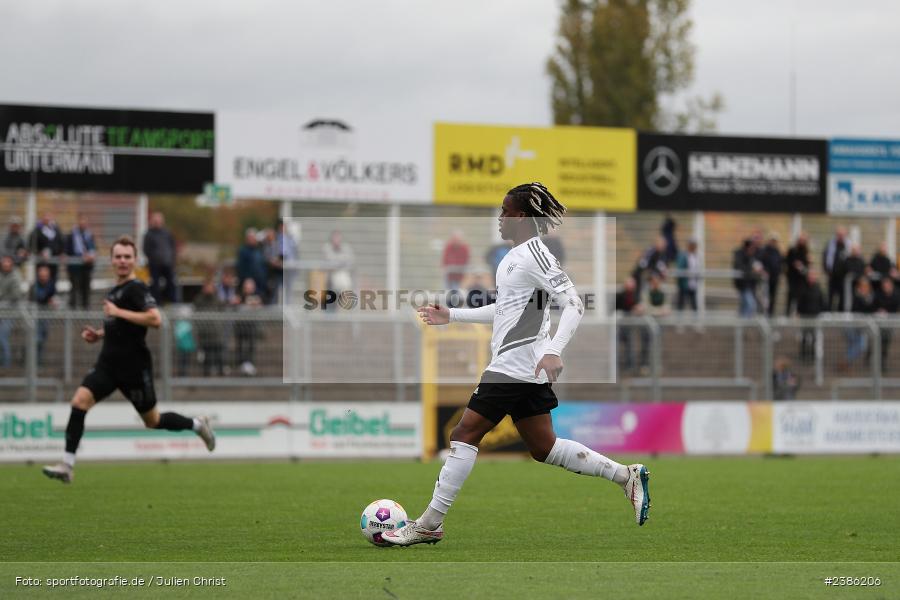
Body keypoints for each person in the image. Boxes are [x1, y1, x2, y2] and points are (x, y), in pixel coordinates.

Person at [383, 183, 650, 547]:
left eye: (505, 212)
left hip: (514, 365)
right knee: (544, 447)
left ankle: (429, 523)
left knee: (464, 434)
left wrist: (555, 349)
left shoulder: (535, 254)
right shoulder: (515, 257)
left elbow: (574, 303)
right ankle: (626, 476)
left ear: (522, 217)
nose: (500, 218)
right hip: (523, 368)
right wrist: (453, 315)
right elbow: (505, 309)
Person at [42, 236, 215, 484]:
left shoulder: (137, 288)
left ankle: (198, 425)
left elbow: (155, 319)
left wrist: (117, 312)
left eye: (127, 257)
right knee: (79, 401)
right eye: (118, 256)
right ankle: (67, 466)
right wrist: (100, 334)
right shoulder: (115, 291)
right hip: (108, 365)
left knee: (153, 421)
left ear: (135, 260)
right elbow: (122, 324)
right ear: (111, 260)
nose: (122, 261)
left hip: (134, 367)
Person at [143, 211, 178, 304]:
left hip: (168, 263)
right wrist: (153, 259)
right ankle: (157, 304)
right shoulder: (148, 234)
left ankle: (173, 302)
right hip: (154, 265)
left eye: (159, 220)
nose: (157, 222)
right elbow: (146, 249)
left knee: (172, 283)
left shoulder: (167, 233)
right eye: (155, 220)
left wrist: (172, 260)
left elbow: (173, 247)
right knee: (155, 285)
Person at [193, 278, 226, 377]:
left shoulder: (218, 299)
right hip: (205, 333)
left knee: (219, 355)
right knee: (207, 356)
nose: (208, 289)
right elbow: (196, 313)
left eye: (210, 287)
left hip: (217, 332)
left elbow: (222, 311)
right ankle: (206, 375)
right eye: (206, 287)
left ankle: (221, 374)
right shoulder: (198, 299)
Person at [616, 276, 649, 374]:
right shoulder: (621, 295)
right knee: (623, 345)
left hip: (633, 326)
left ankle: (633, 365)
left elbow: (640, 307)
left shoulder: (636, 295)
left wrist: (639, 309)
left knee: (632, 345)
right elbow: (618, 308)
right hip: (622, 325)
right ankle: (625, 366)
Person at [65, 214, 96, 309]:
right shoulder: (71, 235)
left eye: (85, 221)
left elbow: (93, 249)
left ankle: (85, 309)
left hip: (86, 267)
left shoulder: (89, 235)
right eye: (81, 221)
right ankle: (72, 310)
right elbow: (67, 250)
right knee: (74, 288)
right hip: (74, 267)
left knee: (86, 289)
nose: (83, 223)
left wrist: (90, 256)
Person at [29, 264, 57, 365]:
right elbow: (39, 297)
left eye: (45, 275)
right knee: (37, 339)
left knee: (42, 338)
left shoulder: (51, 285)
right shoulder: (34, 286)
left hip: (46, 315)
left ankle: (37, 361)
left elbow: (52, 297)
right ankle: (32, 360)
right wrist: (47, 299)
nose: (43, 277)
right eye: (42, 275)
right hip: (35, 315)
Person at [235, 277, 263, 376]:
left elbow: (260, 307)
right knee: (241, 344)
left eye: (250, 287)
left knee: (251, 344)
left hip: (251, 325)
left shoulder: (257, 296)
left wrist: (256, 304)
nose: (248, 289)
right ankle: (241, 363)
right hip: (240, 325)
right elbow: (235, 306)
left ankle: (250, 362)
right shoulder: (239, 296)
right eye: (247, 287)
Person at [0, 255, 25, 367]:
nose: (5, 265)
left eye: (7, 262)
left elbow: (16, 295)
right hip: (2, 310)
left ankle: (6, 364)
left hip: (10, 311)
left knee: (3, 336)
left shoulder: (16, 275)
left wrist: (2, 296)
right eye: (3, 262)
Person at [797, 270, 825, 362]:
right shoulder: (802, 288)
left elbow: (822, 301)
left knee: (814, 337)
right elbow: (800, 302)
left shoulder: (818, 288)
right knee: (804, 337)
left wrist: (821, 312)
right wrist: (799, 312)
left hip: (815, 316)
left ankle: (813, 355)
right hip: (805, 316)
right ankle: (803, 355)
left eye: (813, 276)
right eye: (810, 276)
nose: (811, 278)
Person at [29, 212, 64, 283]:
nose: (47, 219)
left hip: (54, 260)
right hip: (41, 261)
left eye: (49, 217)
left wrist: (61, 252)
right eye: (45, 217)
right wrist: (39, 252)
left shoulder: (56, 229)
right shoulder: (37, 230)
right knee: (41, 281)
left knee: (53, 281)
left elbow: (61, 242)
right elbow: (32, 244)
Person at [237, 228, 268, 303]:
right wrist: (247, 280)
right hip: (249, 284)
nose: (253, 240)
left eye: (254, 238)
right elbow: (241, 267)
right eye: (251, 238)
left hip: (260, 284)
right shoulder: (243, 251)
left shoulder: (259, 250)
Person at [733, 238, 763, 317]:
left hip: (750, 285)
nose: (753, 250)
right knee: (750, 304)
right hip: (743, 285)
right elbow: (740, 268)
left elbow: (756, 267)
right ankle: (744, 324)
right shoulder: (740, 255)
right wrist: (752, 270)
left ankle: (740, 326)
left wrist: (758, 271)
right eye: (752, 248)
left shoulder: (752, 257)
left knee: (745, 305)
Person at [823, 227, 848, 311]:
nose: (840, 236)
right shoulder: (830, 245)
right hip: (832, 276)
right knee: (830, 297)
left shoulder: (848, 245)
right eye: (839, 235)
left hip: (843, 278)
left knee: (842, 299)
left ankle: (840, 317)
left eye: (842, 235)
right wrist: (827, 271)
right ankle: (829, 314)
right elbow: (824, 258)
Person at [785, 232, 810, 316]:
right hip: (792, 278)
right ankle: (788, 314)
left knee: (800, 297)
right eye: (801, 240)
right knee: (791, 296)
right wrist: (794, 264)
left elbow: (807, 266)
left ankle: (799, 314)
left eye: (804, 240)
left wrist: (802, 267)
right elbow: (787, 262)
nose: (802, 242)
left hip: (801, 279)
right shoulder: (792, 250)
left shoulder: (806, 252)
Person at [760, 232, 783, 317]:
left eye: (775, 241)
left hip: (775, 278)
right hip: (766, 278)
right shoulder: (764, 250)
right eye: (772, 240)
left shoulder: (777, 251)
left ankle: (770, 314)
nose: (773, 242)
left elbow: (780, 262)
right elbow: (762, 263)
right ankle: (764, 313)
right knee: (765, 297)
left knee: (773, 296)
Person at [675, 239, 700, 313]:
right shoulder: (683, 255)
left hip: (693, 284)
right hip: (684, 283)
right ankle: (679, 321)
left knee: (694, 304)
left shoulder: (696, 256)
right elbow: (680, 268)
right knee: (681, 303)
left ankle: (695, 321)